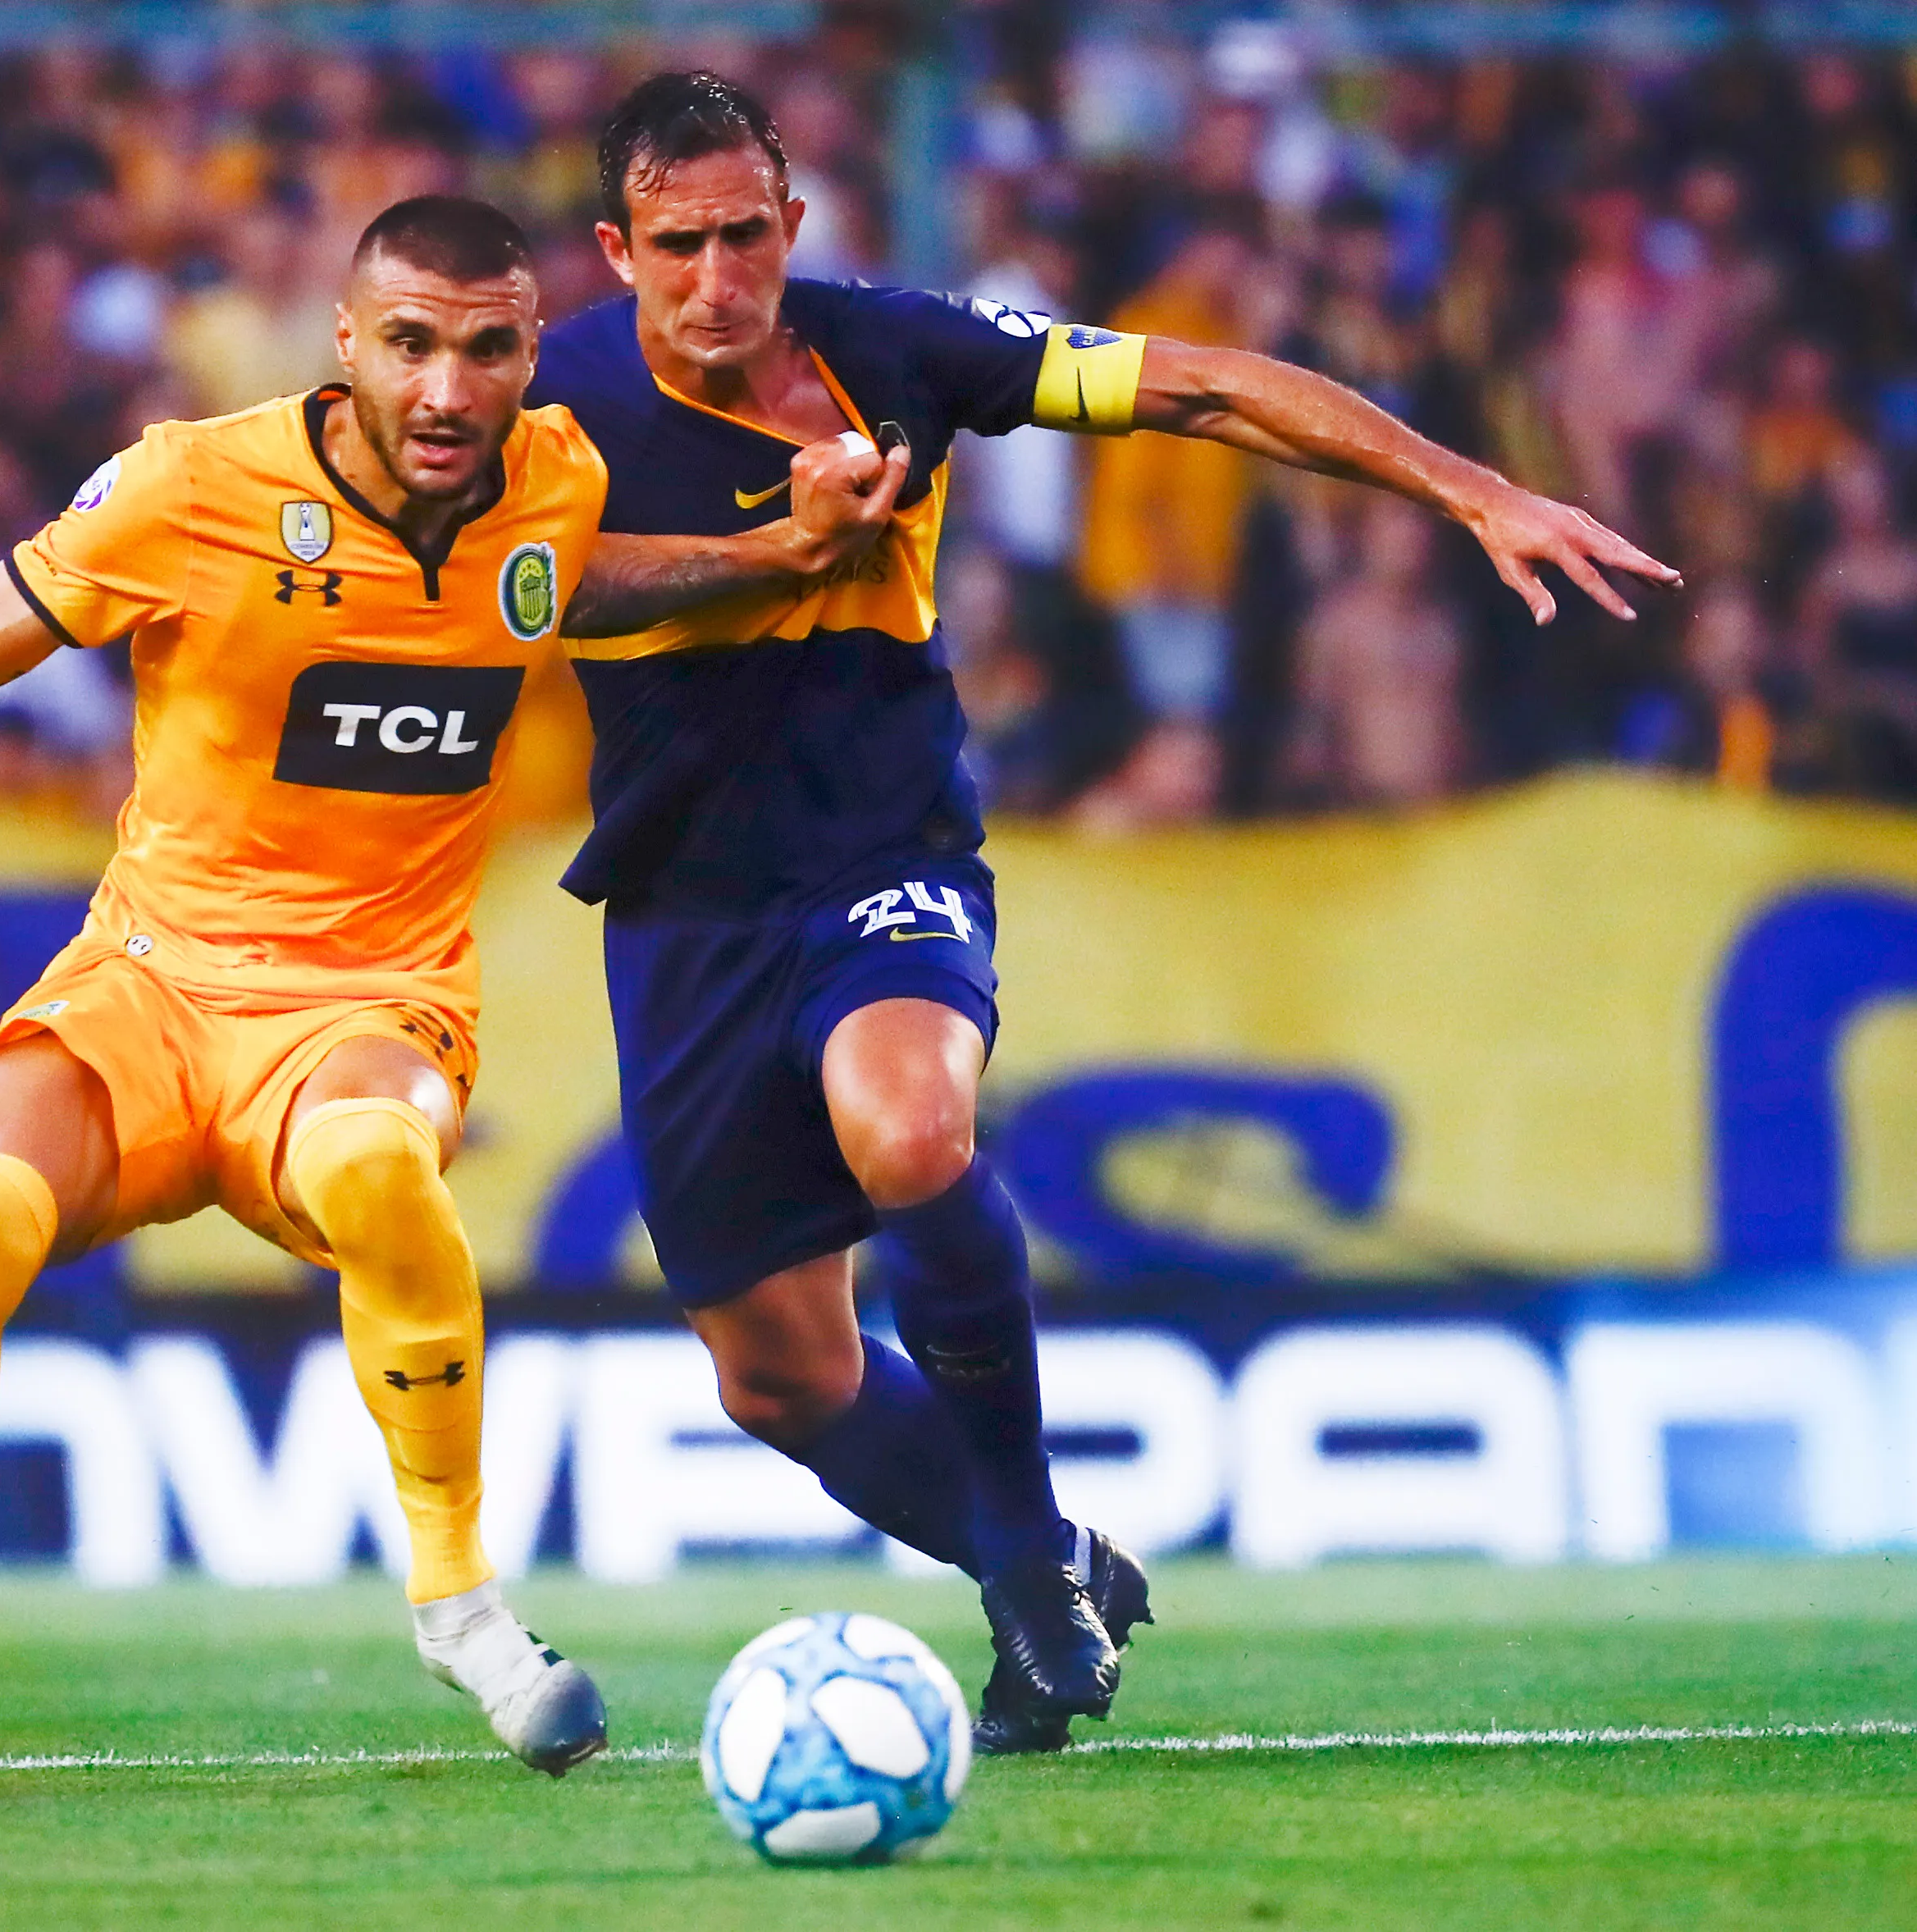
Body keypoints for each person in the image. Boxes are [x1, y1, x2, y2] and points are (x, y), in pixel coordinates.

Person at [0, 194, 900, 1806]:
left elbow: (571, 584)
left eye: (486, 348)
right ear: (349, 348)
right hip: (148, 980)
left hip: (366, 998)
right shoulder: (189, 484)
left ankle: (460, 1605)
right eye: (410, 344)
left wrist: (772, 550)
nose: (449, 387)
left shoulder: (549, 480)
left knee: (375, 1172)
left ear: (528, 354)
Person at [527, 71, 1677, 1753]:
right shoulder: (541, 401)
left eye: (748, 236)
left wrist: (1466, 489)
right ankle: (1058, 1553)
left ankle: (1024, 1585)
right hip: (683, 906)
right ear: (615, 248)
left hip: (880, 856)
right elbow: (516, 587)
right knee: (778, 1378)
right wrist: (780, 546)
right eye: (680, 246)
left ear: (792, 219)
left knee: (908, 1129)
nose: (721, 279)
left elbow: (1202, 391)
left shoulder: (899, 351)